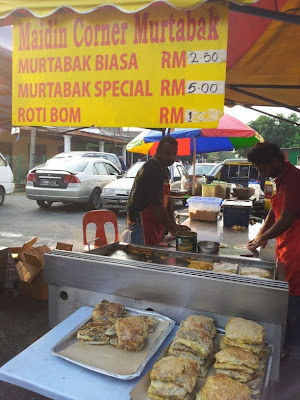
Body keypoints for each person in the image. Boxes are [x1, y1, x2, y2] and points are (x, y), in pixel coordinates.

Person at [247, 142, 300, 353]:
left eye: (263, 168)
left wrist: (263, 239)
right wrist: (261, 234)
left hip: (297, 249)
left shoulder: (294, 180)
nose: (263, 173)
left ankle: (294, 350)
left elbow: (286, 218)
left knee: (294, 297)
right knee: (286, 292)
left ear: (275, 160)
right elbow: (274, 211)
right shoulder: (281, 178)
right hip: (286, 245)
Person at [125, 136, 189, 246]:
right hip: (140, 224)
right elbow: (157, 206)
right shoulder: (152, 169)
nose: (172, 157)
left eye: (174, 154)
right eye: (168, 153)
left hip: (152, 223)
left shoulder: (164, 170)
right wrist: (174, 231)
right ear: (158, 151)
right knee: (142, 260)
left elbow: (167, 201)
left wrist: (174, 225)